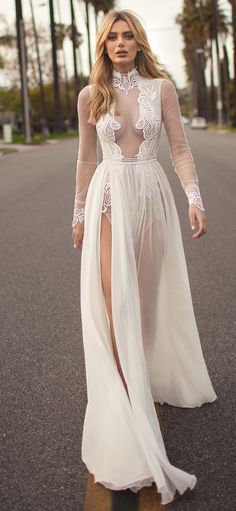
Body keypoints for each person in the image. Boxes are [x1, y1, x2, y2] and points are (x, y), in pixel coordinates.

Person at [71, 9, 217, 506]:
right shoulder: (91, 96)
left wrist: (195, 198)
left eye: (127, 35)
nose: (119, 43)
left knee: (148, 300)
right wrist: (78, 212)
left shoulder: (162, 90)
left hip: (152, 197)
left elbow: (178, 149)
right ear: (103, 45)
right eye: (111, 36)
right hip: (110, 196)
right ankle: (126, 398)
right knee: (116, 302)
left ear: (139, 42)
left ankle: (147, 379)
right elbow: (87, 157)